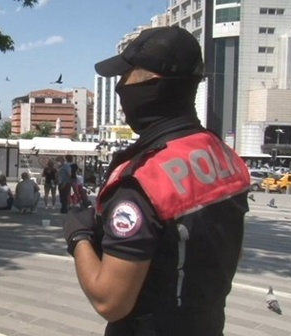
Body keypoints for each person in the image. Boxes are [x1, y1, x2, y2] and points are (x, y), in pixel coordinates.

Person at [63, 26, 250, 336]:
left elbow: (110, 301)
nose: (120, 86)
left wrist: (78, 235)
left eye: (127, 75)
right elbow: (231, 252)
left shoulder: (145, 180)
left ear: (153, 84)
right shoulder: (225, 156)